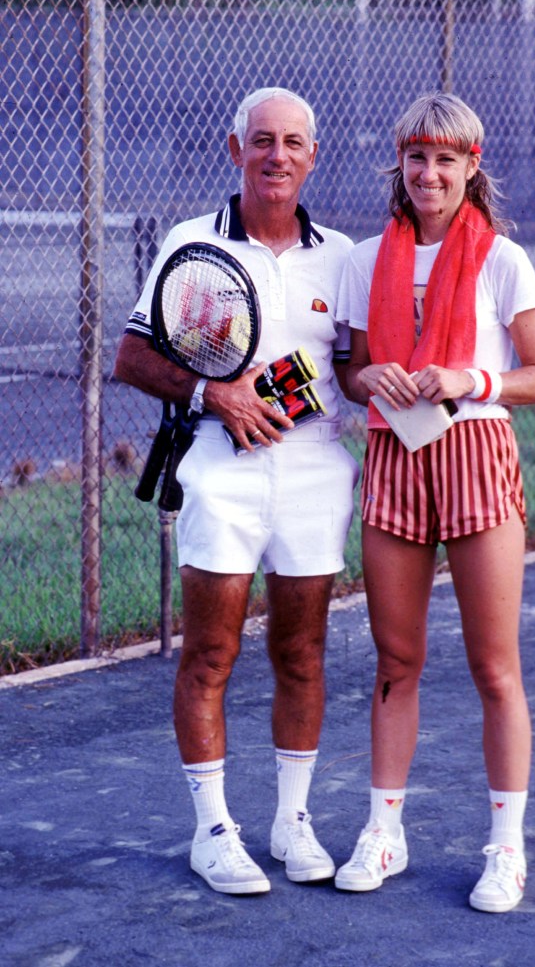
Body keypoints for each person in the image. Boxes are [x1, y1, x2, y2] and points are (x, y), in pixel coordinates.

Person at [114, 87, 359, 895]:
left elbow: (351, 368)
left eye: (292, 142)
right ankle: (212, 830)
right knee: (211, 651)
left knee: (302, 651)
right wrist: (213, 394)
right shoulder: (191, 243)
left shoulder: (343, 257)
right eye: (262, 141)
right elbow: (132, 357)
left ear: (312, 155)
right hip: (220, 469)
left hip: (316, 469)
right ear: (235, 149)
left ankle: (291, 822)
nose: (277, 155)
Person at [333, 91, 535, 912]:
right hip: (396, 451)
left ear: (472, 166)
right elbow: (350, 368)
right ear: (400, 163)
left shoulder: (503, 258)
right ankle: (384, 831)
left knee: (494, 667)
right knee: (396, 662)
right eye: (417, 157)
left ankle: (507, 847)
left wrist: (472, 378)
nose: (430, 173)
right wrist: (371, 378)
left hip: (473, 452)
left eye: (447, 159)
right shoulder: (366, 259)